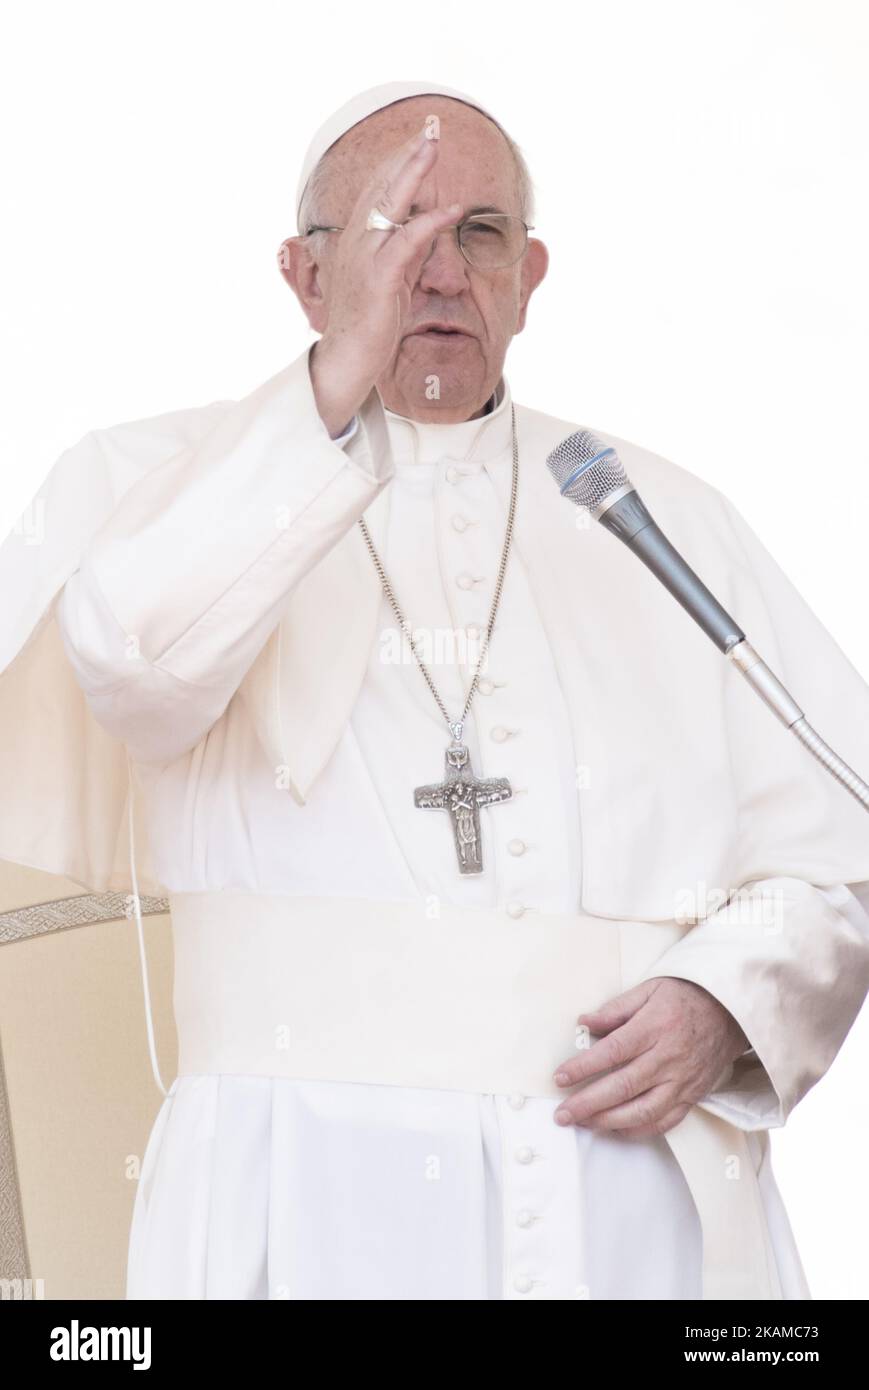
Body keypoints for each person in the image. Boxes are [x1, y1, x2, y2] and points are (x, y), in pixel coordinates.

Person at [3, 79, 869, 1301]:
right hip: (297, 1189)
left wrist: (727, 1000)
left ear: (530, 273)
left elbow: (838, 851)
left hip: (627, 1209)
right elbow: (135, 671)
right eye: (389, 231)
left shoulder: (654, 511)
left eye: (476, 232)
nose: (439, 269)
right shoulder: (156, 481)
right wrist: (336, 383)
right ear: (304, 278)